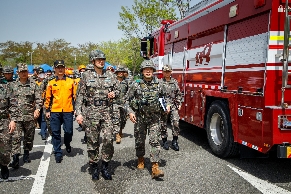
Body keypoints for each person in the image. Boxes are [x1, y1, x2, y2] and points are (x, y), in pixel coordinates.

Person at [75, 50, 119, 180]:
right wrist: (78, 113)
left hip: (107, 113)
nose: (101, 61)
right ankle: (94, 166)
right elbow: (79, 97)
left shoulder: (111, 75)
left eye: (103, 59)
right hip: (91, 113)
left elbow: (118, 90)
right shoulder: (86, 76)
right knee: (92, 141)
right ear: (93, 61)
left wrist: (114, 93)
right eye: (98, 59)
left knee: (108, 139)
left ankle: (105, 166)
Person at [126, 59, 170, 179]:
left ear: (153, 71)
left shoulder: (160, 84)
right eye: (146, 69)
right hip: (140, 118)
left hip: (154, 118)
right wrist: (130, 112)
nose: (148, 71)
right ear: (142, 71)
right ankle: (140, 158)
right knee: (140, 140)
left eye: (150, 69)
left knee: (154, 141)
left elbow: (166, 97)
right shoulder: (136, 84)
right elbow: (127, 101)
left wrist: (168, 105)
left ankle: (155, 167)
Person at [9, 63, 42, 168]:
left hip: (29, 116)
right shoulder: (13, 86)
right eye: (21, 71)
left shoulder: (33, 84)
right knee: (16, 137)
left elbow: (38, 99)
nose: (24, 73)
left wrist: (37, 109)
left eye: (25, 71)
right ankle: (15, 158)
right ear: (17, 72)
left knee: (29, 137)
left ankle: (27, 152)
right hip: (16, 117)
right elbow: (8, 101)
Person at [45, 60, 76, 163]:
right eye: (58, 67)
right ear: (55, 69)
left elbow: (75, 96)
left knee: (69, 131)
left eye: (62, 67)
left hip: (68, 110)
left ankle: (67, 143)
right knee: (55, 132)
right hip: (55, 111)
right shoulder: (51, 83)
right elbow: (48, 98)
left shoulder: (71, 81)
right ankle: (58, 152)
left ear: (64, 68)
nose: (60, 69)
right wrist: (47, 110)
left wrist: (76, 109)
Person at [159, 64, 182, 151]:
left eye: (168, 71)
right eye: (165, 71)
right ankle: (164, 141)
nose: (167, 73)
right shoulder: (160, 83)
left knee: (176, 122)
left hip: (173, 105)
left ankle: (175, 141)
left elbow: (178, 94)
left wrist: (179, 103)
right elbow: (158, 95)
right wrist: (164, 105)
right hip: (164, 106)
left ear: (171, 72)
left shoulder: (174, 82)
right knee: (163, 123)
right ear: (163, 72)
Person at [0, 70, 17, 179]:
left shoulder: (5, 87)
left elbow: (13, 104)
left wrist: (13, 120)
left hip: (3, 121)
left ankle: (4, 164)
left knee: (5, 149)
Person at [113, 66, 129, 144]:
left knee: (123, 120)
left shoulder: (126, 82)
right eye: (119, 72)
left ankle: (120, 130)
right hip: (115, 103)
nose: (120, 73)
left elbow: (129, 92)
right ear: (116, 73)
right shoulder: (112, 81)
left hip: (124, 103)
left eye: (122, 72)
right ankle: (117, 135)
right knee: (116, 119)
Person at [36, 67, 48, 140]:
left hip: (45, 102)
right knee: (39, 118)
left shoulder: (47, 82)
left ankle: (43, 132)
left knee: (44, 118)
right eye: (40, 73)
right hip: (37, 103)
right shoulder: (35, 83)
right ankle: (42, 129)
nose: (41, 75)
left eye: (42, 73)